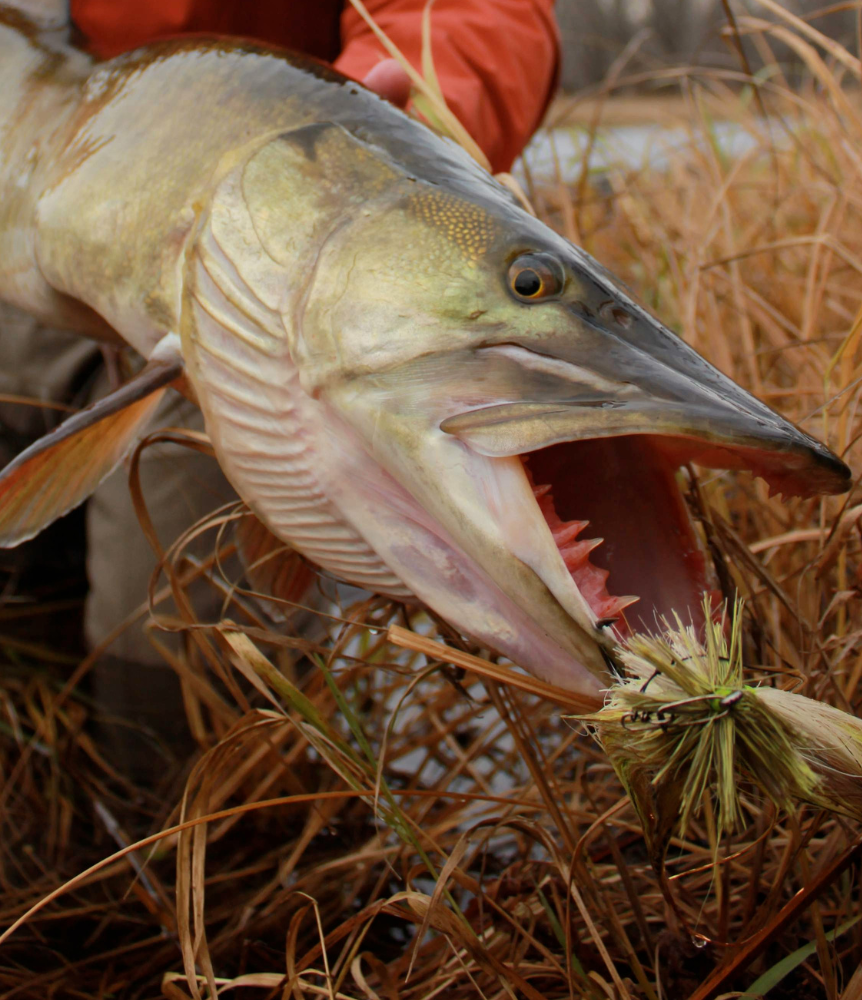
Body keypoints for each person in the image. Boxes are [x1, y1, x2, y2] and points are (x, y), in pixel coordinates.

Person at [0, 0, 560, 782]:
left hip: (237, 261)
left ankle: (186, 851)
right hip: (52, 195)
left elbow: (469, 14)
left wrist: (387, 121)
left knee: (174, 622)